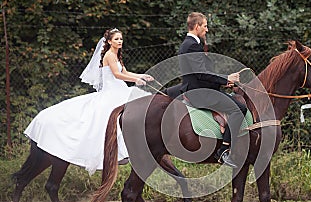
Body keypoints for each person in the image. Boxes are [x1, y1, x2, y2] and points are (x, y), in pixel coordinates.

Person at [24, 28, 153, 175]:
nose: (120, 41)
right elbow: (117, 75)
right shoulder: (109, 55)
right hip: (112, 91)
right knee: (107, 119)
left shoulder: (117, 56)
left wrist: (142, 76)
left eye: (121, 39)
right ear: (110, 41)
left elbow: (125, 73)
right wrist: (136, 80)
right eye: (116, 39)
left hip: (121, 89)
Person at [178, 12, 247, 168]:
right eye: (205, 26)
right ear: (196, 26)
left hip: (199, 89)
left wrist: (224, 82)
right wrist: (226, 79)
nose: (207, 30)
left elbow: (201, 74)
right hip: (199, 94)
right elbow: (201, 74)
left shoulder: (190, 44)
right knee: (239, 109)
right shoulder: (192, 45)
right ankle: (224, 150)